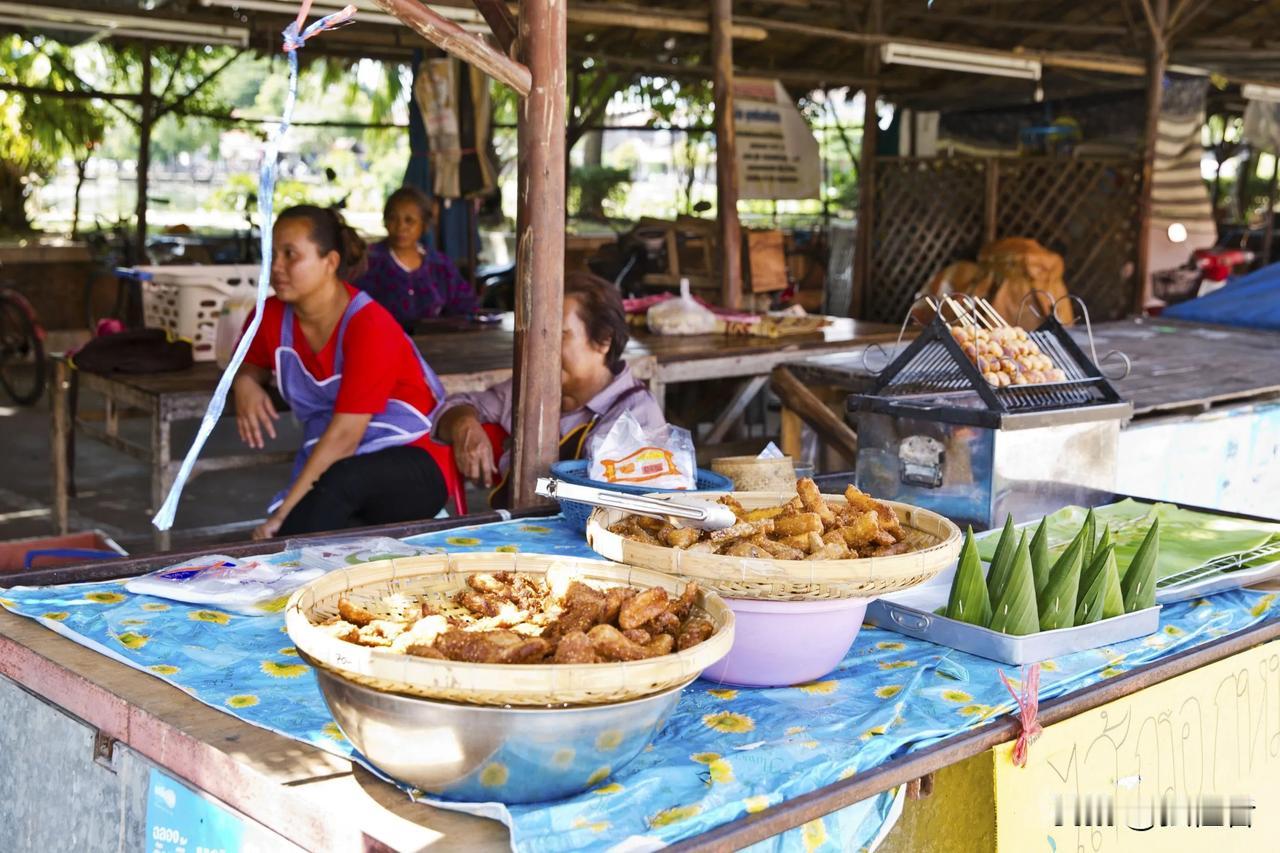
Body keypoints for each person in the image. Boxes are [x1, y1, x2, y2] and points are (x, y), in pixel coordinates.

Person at [233, 205, 458, 539]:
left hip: (415, 463)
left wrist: (281, 518)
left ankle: (277, 559)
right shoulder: (269, 317)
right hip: (337, 469)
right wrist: (245, 382)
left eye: (290, 255)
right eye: (272, 253)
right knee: (334, 516)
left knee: (335, 487)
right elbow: (248, 363)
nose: (276, 267)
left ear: (330, 262)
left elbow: (344, 438)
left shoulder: (369, 326)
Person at [434, 271, 665, 508]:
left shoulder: (636, 415)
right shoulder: (532, 390)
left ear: (604, 340)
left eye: (560, 335)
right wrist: (463, 423)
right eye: (543, 335)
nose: (544, 349)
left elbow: (607, 509)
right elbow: (452, 408)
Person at [355, 186, 477, 331]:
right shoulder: (369, 261)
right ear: (385, 221)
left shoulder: (440, 265)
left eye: (409, 221)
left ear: (424, 225)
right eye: (393, 218)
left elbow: (466, 306)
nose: (400, 227)